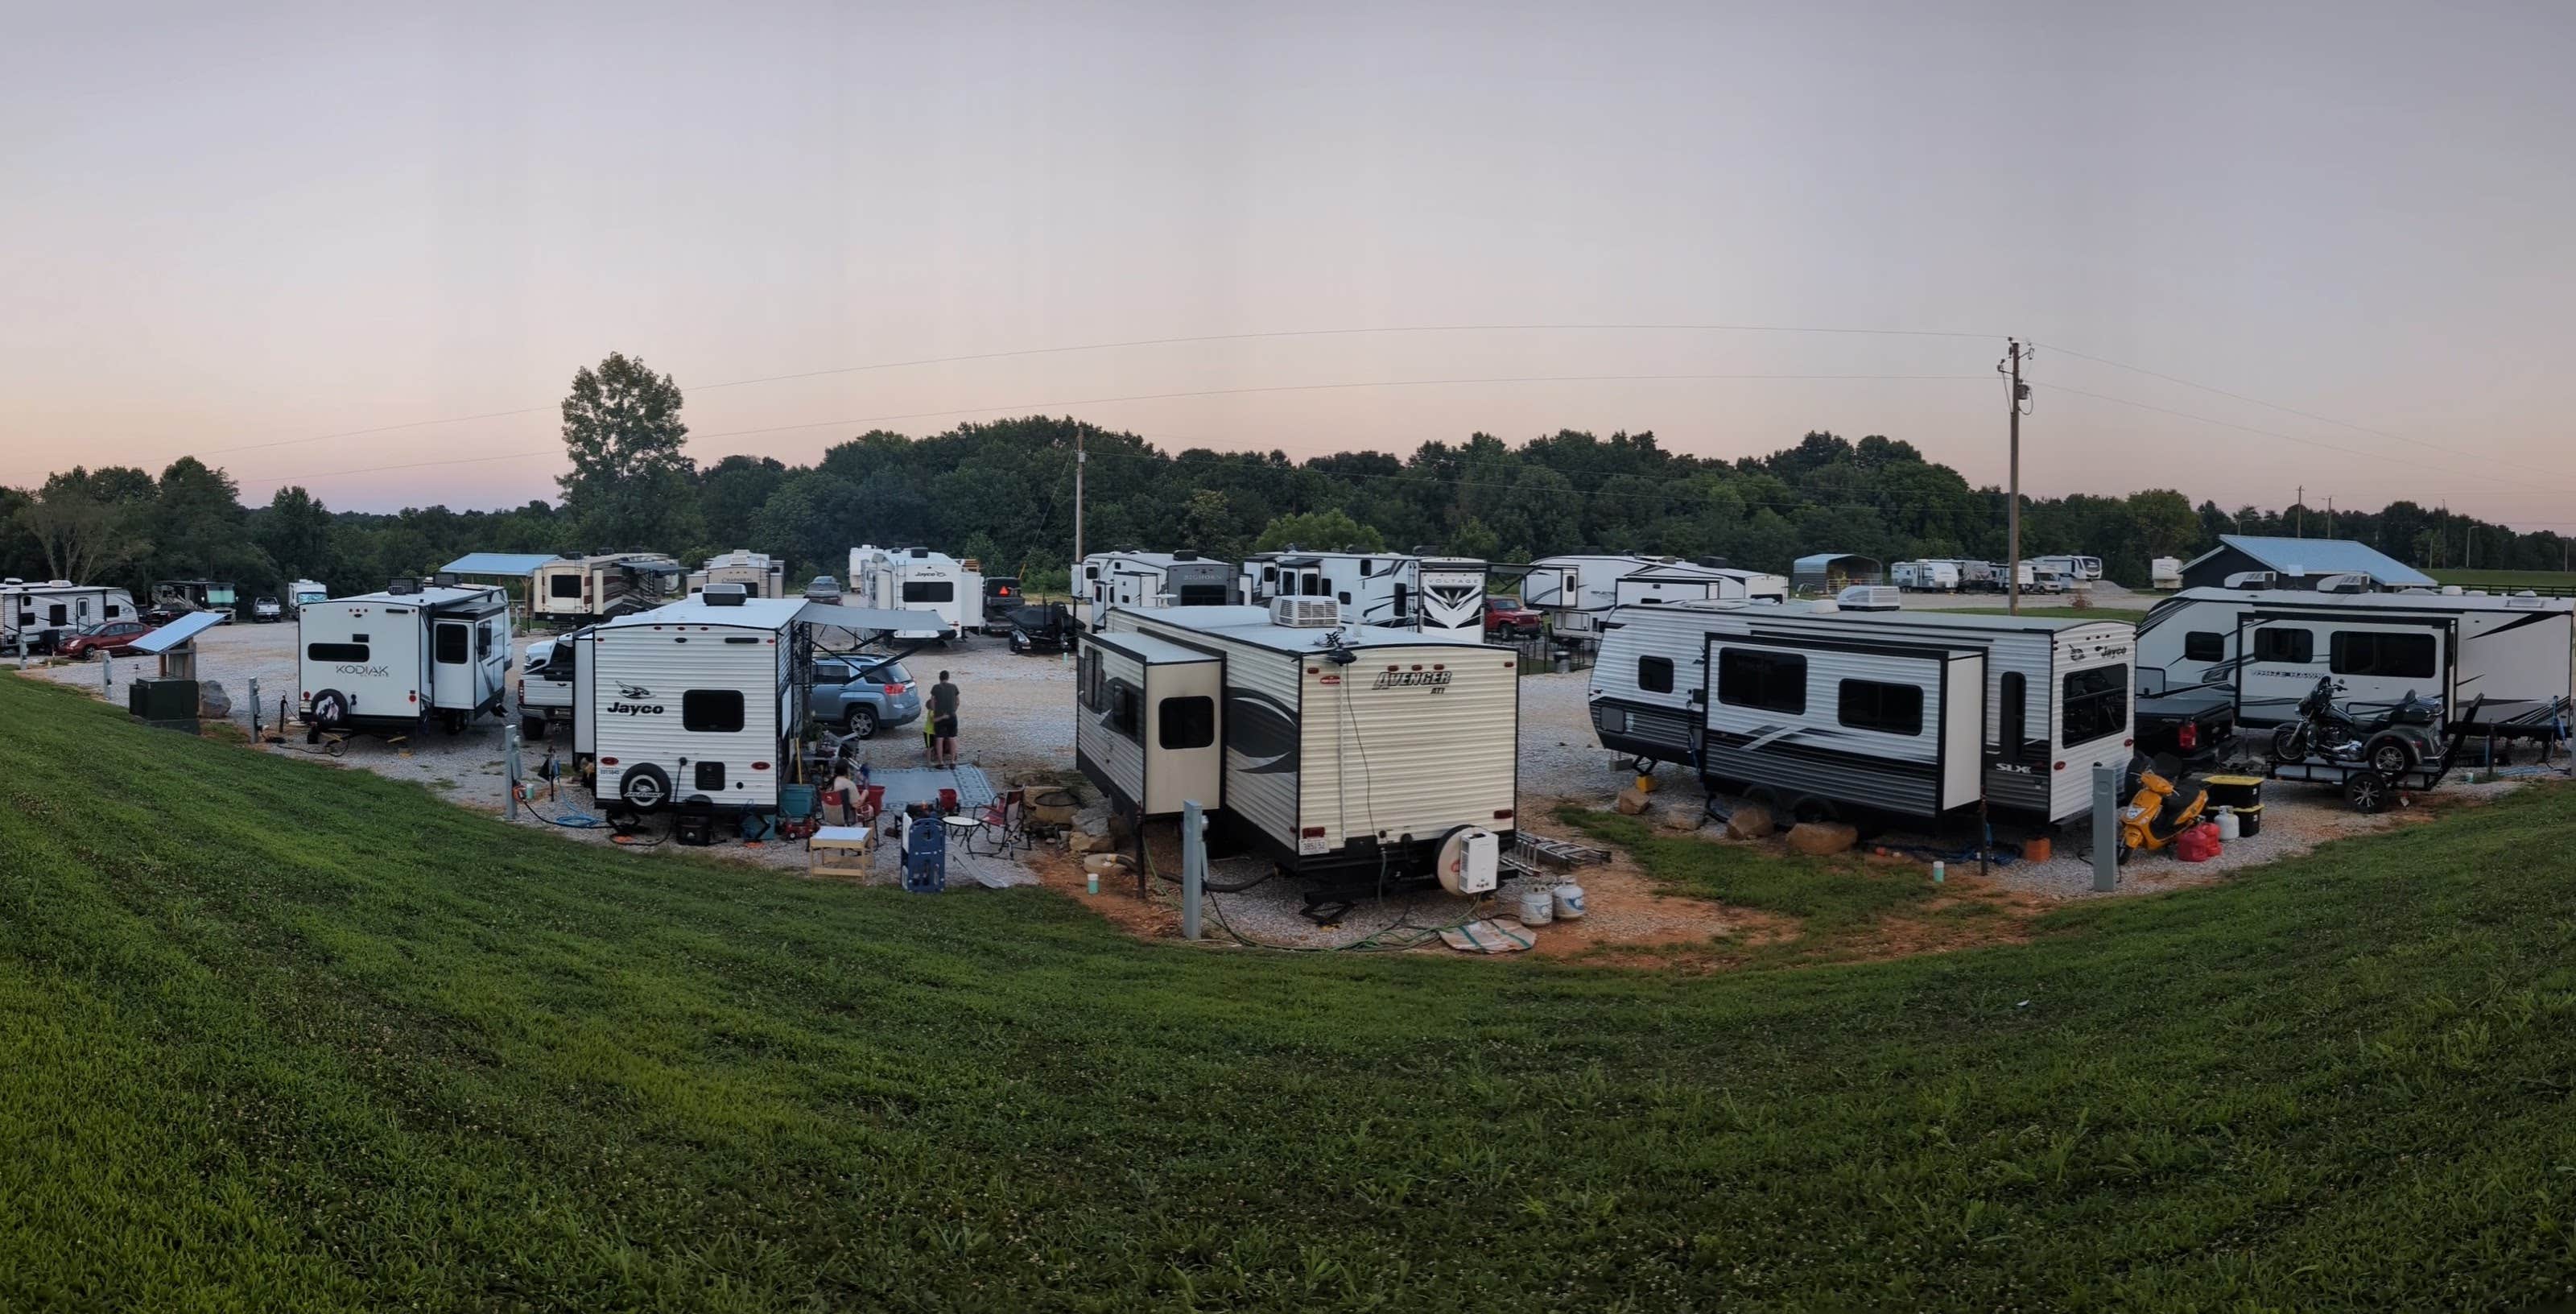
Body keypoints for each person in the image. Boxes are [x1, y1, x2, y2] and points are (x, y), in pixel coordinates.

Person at [930, 669, 960, 766]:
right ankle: (952, 761)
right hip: (952, 716)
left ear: (940, 678)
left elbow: (932, 701)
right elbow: (958, 701)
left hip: (940, 717)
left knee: (939, 739)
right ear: (948, 678)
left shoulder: (935, 687)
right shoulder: (954, 687)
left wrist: (935, 712)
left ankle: (941, 762)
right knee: (953, 738)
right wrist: (954, 710)